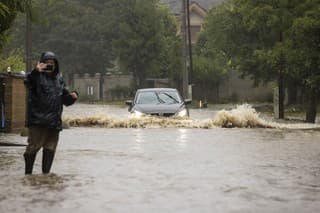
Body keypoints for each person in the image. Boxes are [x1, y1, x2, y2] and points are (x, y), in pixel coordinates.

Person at [23, 51, 78, 175]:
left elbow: (65, 101)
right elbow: (27, 82)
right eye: (46, 63)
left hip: (54, 123)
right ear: (41, 63)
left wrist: (73, 97)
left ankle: (46, 176)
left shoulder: (59, 80)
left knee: (50, 149)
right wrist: (36, 71)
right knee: (33, 148)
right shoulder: (36, 77)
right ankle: (28, 175)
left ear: (56, 65)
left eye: (52, 63)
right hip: (38, 121)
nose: (49, 65)